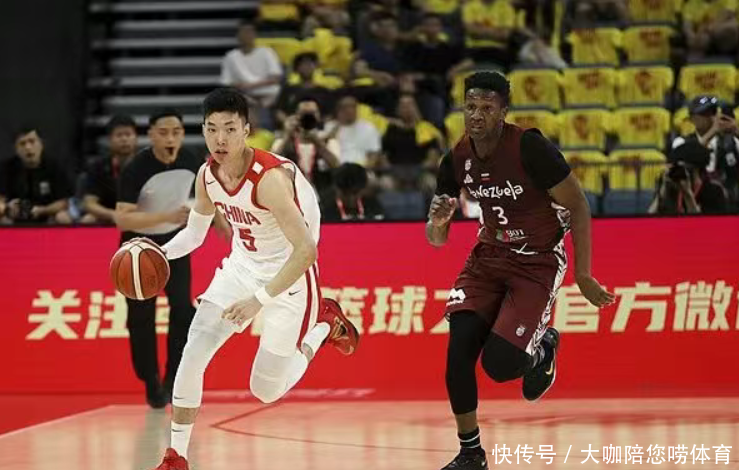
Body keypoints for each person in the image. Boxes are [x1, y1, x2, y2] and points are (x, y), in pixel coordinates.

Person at [149, 88, 359, 470]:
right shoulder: (207, 175)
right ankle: (176, 457)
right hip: (242, 266)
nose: (220, 139)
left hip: (290, 274)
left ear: (246, 130)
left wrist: (258, 301)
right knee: (192, 353)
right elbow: (194, 235)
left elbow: (306, 252)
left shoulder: (269, 180)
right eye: (212, 129)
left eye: (230, 129)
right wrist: (159, 253)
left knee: (265, 390)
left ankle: (324, 326)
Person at [426, 72, 615, 470]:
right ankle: (471, 454)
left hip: (536, 261)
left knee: (500, 366)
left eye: (487, 107)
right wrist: (438, 222)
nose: (477, 115)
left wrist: (583, 276)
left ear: (503, 112)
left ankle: (543, 348)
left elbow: (578, 205)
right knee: (458, 353)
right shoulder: (456, 159)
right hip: (487, 258)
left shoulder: (529, 147)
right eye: (470, 106)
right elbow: (436, 239)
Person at [114, 109, 202, 408]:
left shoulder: (191, 160)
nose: (170, 138)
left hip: (175, 243)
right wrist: (166, 216)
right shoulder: (136, 168)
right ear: (151, 134)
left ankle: (173, 376)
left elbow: (207, 195)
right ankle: (150, 379)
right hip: (138, 246)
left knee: (183, 309)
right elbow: (123, 219)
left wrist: (218, 220)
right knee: (141, 316)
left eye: (176, 132)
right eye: (163, 133)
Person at [0, 126, 74, 225]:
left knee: (63, 217)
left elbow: (63, 203)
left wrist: (42, 210)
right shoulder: (6, 168)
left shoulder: (54, 167)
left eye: (32, 141)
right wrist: (7, 208)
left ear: (41, 144)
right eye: (22, 144)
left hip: (47, 215)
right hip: (14, 218)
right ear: (16, 149)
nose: (28, 147)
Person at [271, 96, 341, 193]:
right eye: (304, 114)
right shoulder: (283, 140)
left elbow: (336, 165)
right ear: (296, 116)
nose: (308, 117)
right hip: (292, 192)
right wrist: (287, 136)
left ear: (319, 116)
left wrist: (317, 142)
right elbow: (271, 164)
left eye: (312, 113)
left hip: (323, 193)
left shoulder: (328, 140)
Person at [81, 115, 138, 224]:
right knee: (88, 219)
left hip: (139, 217)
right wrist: (112, 215)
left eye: (128, 134)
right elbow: (89, 203)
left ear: (136, 138)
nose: (124, 139)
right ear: (110, 140)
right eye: (119, 135)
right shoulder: (97, 167)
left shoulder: (147, 164)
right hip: (107, 218)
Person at [649, 141, 728, 214]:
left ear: (695, 170)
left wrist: (688, 195)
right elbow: (648, 221)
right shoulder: (671, 189)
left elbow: (705, 224)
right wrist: (662, 192)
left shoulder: (713, 191)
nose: (679, 172)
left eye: (683, 168)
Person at [319, 162, 385, 221]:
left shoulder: (374, 206)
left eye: (355, 193)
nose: (351, 198)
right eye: (345, 194)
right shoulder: (323, 209)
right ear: (336, 188)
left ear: (363, 189)